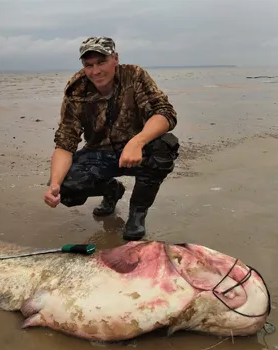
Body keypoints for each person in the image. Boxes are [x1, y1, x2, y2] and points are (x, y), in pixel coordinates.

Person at [43, 36, 180, 241]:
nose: (95, 71)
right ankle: (112, 191)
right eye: (88, 65)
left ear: (115, 59)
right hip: (100, 152)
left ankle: (137, 214)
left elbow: (166, 113)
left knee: (164, 148)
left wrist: (137, 141)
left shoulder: (134, 75)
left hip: (138, 151)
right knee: (65, 186)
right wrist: (54, 184)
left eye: (101, 62)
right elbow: (65, 142)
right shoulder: (77, 89)